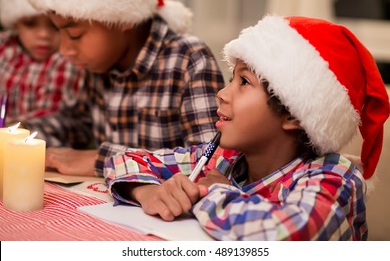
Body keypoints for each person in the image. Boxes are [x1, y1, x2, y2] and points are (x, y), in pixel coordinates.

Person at [103, 15, 390, 240]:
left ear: (293, 114)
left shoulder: (335, 177)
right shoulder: (223, 160)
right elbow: (126, 159)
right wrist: (147, 192)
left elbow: (291, 234)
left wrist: (214, 192)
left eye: (243, 82)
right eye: (232, 79)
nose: (222, 93)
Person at [24, 0, 225, 176]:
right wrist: (23, 132)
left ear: (123, 17)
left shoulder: (188, 58)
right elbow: (76, 124)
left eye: (74, 34)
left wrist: (102, 160)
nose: (64, 49)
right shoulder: (99, 63)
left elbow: (210, 160)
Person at [0, 0, 84, 125]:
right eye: (30, 24)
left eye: (55, 26)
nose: (44, 34)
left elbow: (55, 116)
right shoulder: (6, 47)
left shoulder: (67, 61)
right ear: (15, 24)